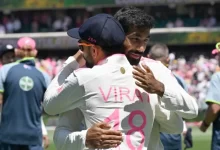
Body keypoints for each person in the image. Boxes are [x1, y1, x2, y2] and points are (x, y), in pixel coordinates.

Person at [46, 7, 198, 150]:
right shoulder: (87, 76)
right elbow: (62, 131)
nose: (141, 48)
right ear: (117, 36)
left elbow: (181, 120)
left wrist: (160, 90)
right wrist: (84, 137)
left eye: (145, 40)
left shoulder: (155, 70)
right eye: (135, 39)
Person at [0, 37, 51, 150]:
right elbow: (49, 108)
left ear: (17, 52)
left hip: (8, 136)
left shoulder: (4, 71)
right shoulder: (44, 76)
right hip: (33, 137)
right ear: (35, 52)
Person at [147, 43, 191, 150]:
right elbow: (184, 108)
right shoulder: (177, 80)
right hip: (172, 134)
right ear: (167, 60)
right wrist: (185, 128)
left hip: (150, 131)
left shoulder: (141, 77)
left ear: (148, 57)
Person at [199, 49, 220, 150]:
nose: (217, 58)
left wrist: (205, 124)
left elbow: (214, 108)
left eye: (219, 55)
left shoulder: (218, 77)